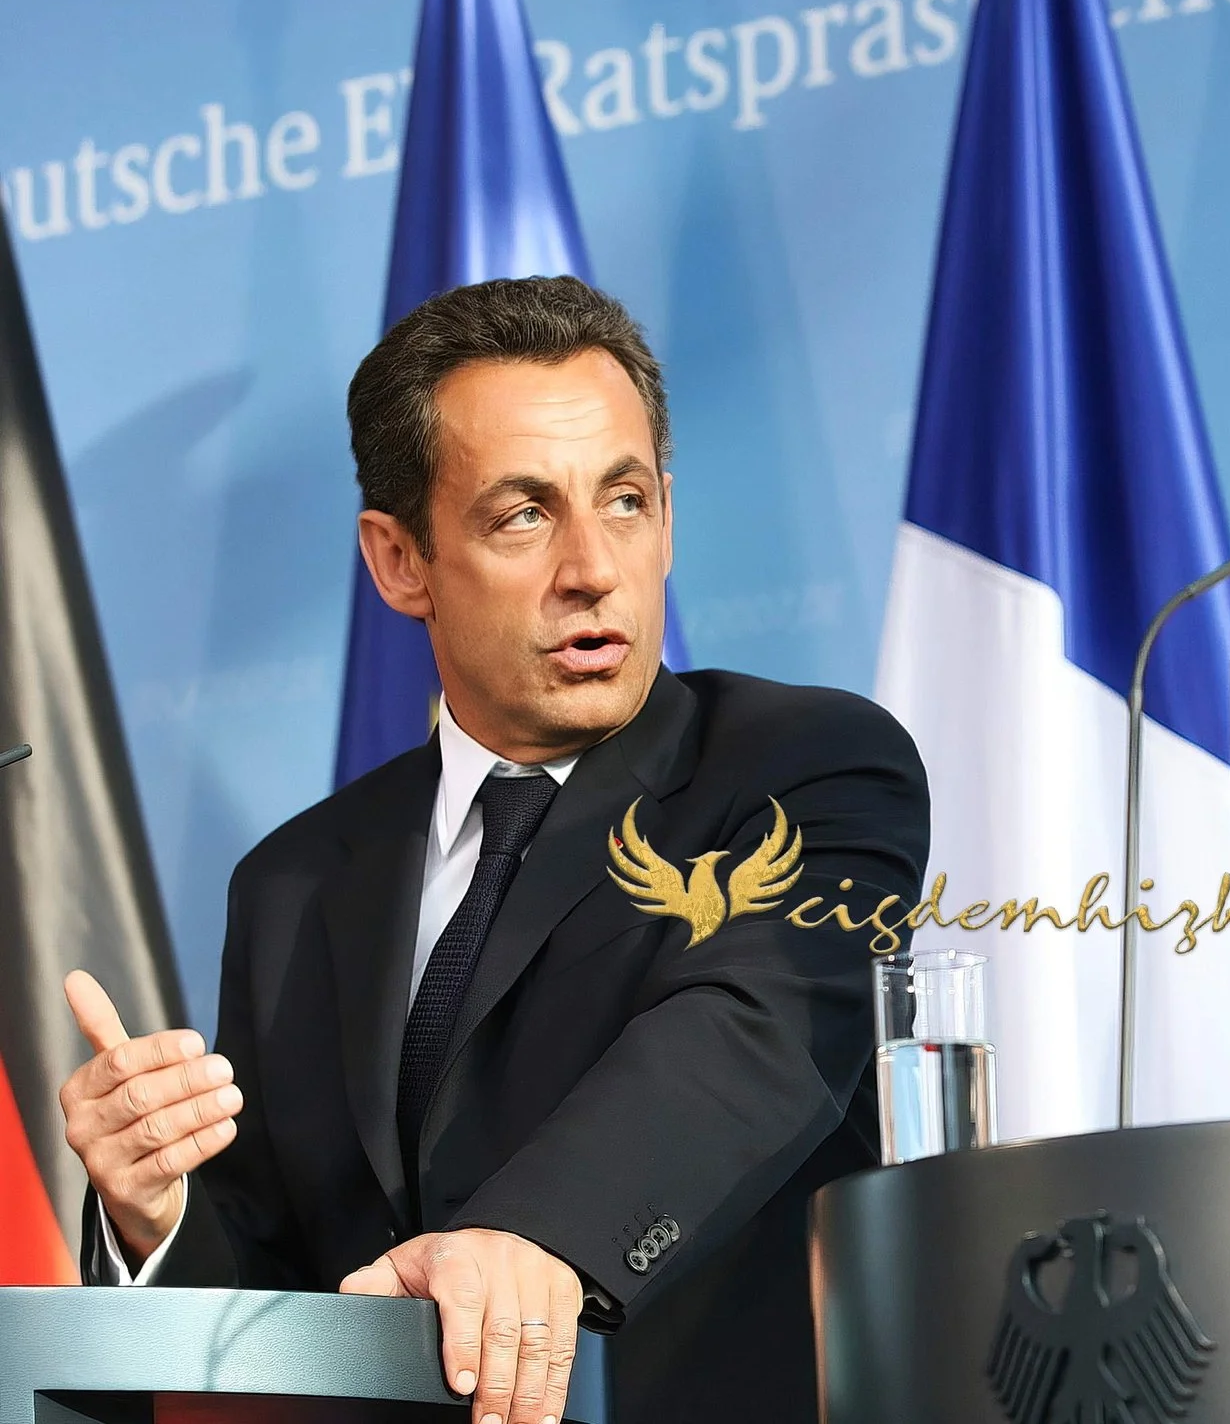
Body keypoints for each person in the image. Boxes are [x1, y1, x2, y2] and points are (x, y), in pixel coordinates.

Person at [57, 276, 928, 1424]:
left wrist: (528, 1240)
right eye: (524, 513)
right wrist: (151, 1212)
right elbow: (276, 1292)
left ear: (666, 512)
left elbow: (751, 1033)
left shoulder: (809, 766)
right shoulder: (295, 881)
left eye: (623, 499)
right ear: (399, 561)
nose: (591, 567)